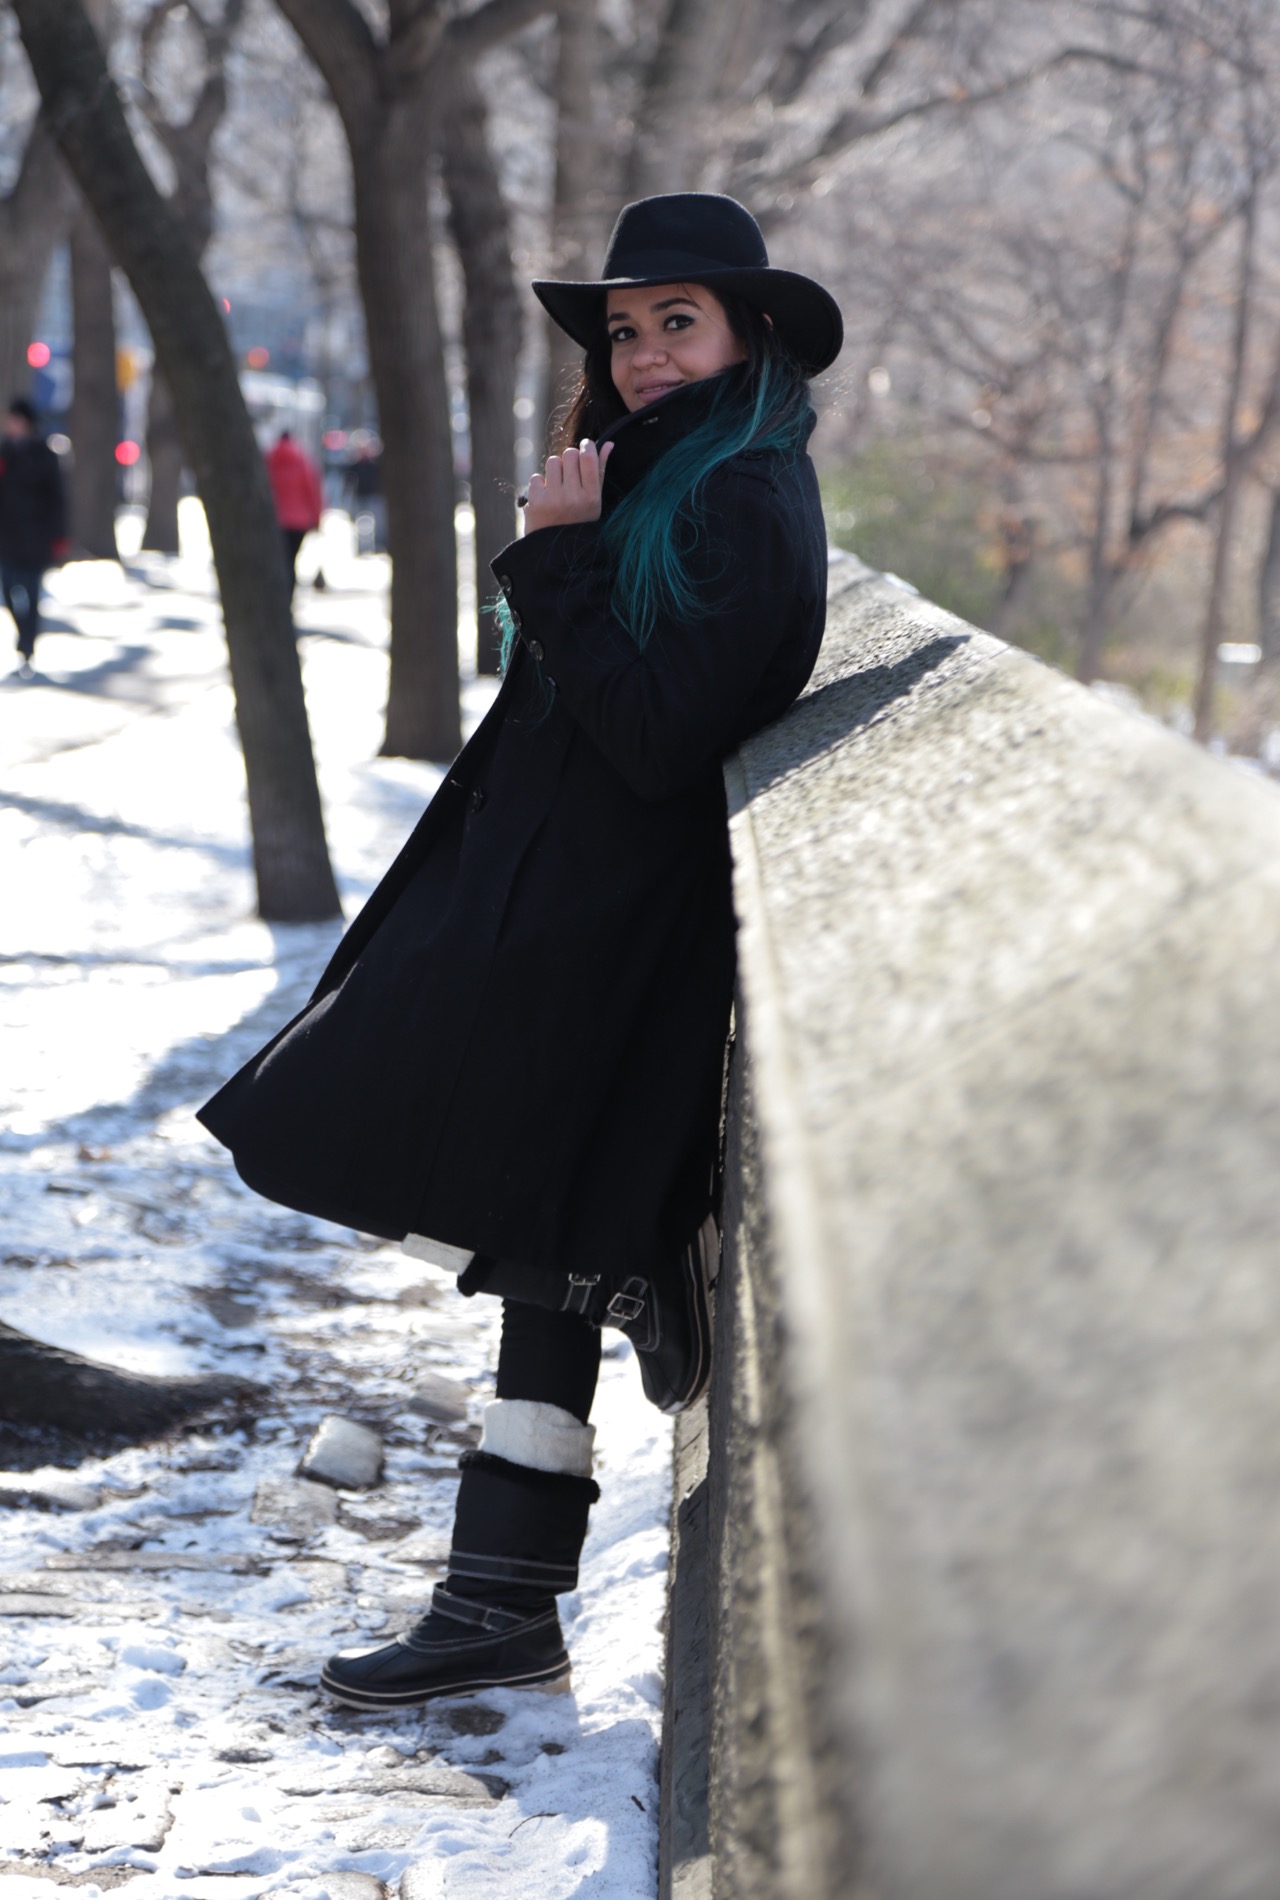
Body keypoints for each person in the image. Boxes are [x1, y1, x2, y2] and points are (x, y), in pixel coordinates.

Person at [198, 192, 843, 1709]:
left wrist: (551, 561)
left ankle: (500, 1594)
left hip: (612, 932)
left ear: (747, 334)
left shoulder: (741, 495)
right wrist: (566, 547)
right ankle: (502, 1592)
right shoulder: (663, 472)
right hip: (561, 908)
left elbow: (658, 733)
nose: (642, 353)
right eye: (623, 330)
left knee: (532, 1225)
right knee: (527, 1235)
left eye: (676, 322)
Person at [0, 397, 68, 677]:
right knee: (7, 589)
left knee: (31, 592)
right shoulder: (4, 452)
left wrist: (58, 535)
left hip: (36, 537)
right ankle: (23, 636)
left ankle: (27, 646)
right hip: (7, 537)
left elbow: (57, 498)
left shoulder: (44, 454)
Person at [264, 430, 323, 592]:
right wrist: (317, 518)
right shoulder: (302, 463)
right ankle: (288, 592)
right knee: (292, 558)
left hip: (276, 521)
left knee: (281, 558)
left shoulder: (269, 462)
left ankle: (281, 591)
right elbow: (312, 493)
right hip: (299, 521)